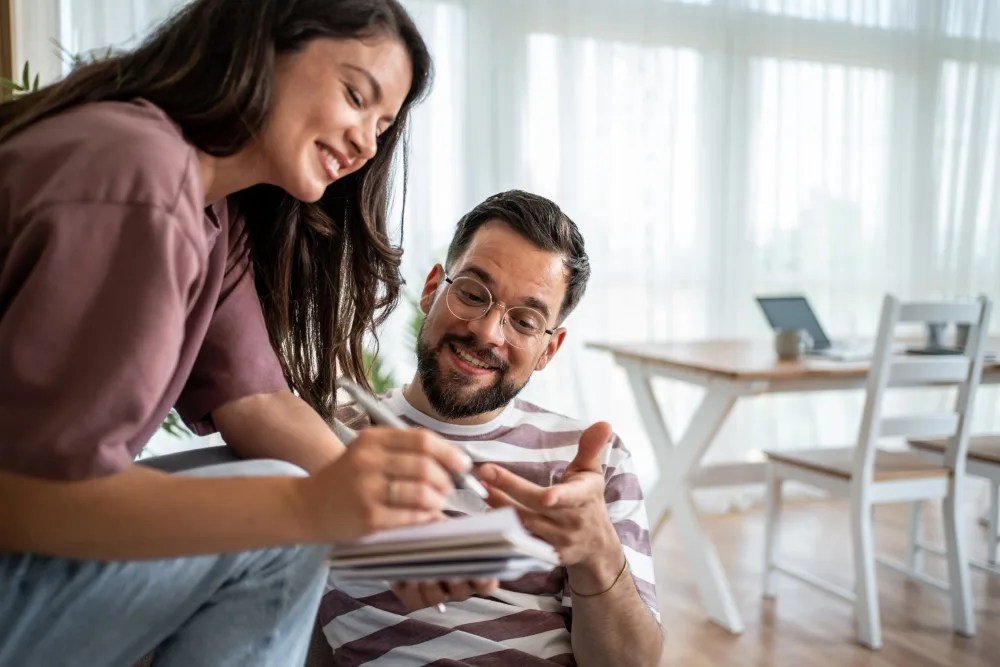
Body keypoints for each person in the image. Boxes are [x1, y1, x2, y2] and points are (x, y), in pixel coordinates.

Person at [0, 1, 474, 665]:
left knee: (274, 490)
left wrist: (399, 529)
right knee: (281, 526)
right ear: (264, 46)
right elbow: (31, 495)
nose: (368, 142)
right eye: (354, 95)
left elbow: (259, 399)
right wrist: (308, 507)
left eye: (383, 124)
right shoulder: (141, 177)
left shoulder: (207, 205)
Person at [319, 191, 663, 667]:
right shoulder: (322, 438)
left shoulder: (591, 464)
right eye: (472, 294)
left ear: (549, 349)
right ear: (433, 287)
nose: (487, 332)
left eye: (524, 320)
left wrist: (596, 553)